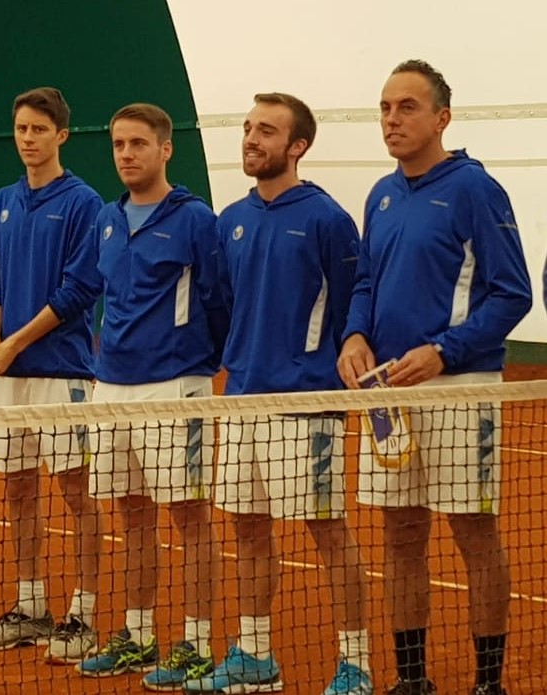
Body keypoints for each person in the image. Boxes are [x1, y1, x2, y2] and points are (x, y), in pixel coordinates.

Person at [337, 60, 531, 695]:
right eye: (385, 107)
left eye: (407, 107)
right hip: (388, 394)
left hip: (458, 389)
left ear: (442, 118)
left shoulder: (476, 189)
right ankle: (412, 679)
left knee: (474, 532)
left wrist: (444, 353)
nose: (392, 119)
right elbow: (366, 282)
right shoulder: (380, 195)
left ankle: (488, 684)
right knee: (399, 536)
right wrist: (354, 335)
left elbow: (512, 293)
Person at [187, 92, 373, 695]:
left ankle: (356, 664)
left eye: (266, 130)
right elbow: (221, 305)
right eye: (247, 128)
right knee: (246, 529)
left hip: (305, 405)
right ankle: (255, 655)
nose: (250, 138)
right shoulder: (230, 221)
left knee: (327, 532)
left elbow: (353, 304)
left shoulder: (327, 219)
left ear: (298, 146)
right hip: (240, 399)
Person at [74, 103, 222, 691]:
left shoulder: (195, 220)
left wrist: (194, 362)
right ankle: (138, 634)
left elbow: (218, 299)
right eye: (119, 144)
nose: (127, 154)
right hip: (111, 385)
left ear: (165, 149)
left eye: (138, 143)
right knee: (131, 514)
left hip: (174, 388)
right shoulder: (107, 220)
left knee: (189, 517)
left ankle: (198, 644)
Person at [0, 87, 103, 660]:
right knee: (18, 489)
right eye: (22, 128)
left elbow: (77, 291)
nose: (28, 138)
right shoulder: (0, 202)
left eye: (39, 130)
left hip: (60, 371)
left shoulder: (83, 203)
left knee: (77, 493)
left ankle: (84, 616)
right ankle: (30, 607)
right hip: (9, 373)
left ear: (61, 136)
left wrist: (13, 344)